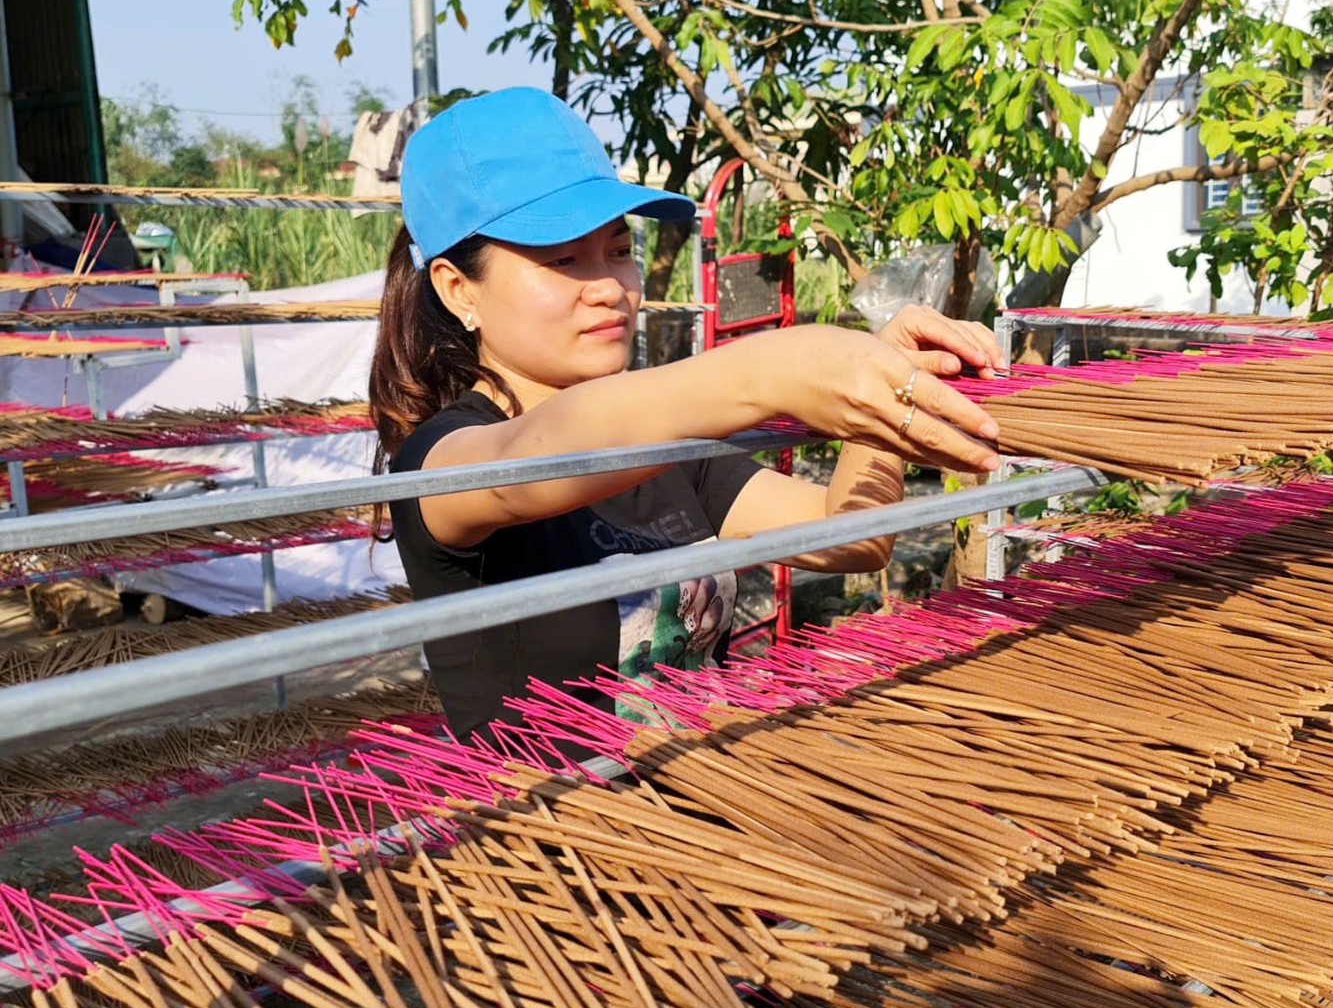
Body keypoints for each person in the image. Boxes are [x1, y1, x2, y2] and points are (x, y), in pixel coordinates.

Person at [370, 87, 1002, 739]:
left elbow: (854, 539)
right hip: (558, 836)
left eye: (619, 250)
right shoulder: (442, 456)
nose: (610, 288)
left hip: (700, 820)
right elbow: (532, 455)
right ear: (457, 289)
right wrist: (770, 373)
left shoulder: (669, 452)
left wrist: (890, 378)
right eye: (563, 260)